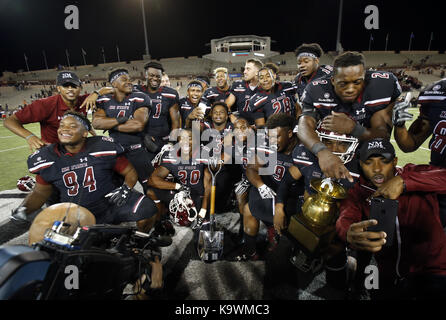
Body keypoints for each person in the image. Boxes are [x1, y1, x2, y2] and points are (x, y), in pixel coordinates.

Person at [336, 138, 446, 299]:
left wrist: (404, 182)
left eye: (384, 161)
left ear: (394, 161)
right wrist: (347, 233)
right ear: (360, 164)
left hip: (433, 272)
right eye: (369, 162)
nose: (377, 168)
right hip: (386, 273)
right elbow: (345, 218)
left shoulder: (414, 173)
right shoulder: (358, 192)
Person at [297, 51, 402, 183]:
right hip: (331, 149)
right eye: (343, 84)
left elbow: (383, 135)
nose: (350, 89)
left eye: (357, 82)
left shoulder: (381, 86)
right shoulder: (315, 89)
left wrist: (353, 129)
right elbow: (303, 125)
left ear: (364, 78)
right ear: (333, 80)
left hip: (367, 152)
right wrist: (321, 151)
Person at [229, 113, 302, 261]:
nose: (272, 141)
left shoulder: (302, 150)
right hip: (270, 189)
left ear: (289, 133)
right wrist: (261, 186)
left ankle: (293, 246)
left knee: (286, 254)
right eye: (270, 137)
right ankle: (250, 251)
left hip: (293, 196)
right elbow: (251, 168)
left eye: (277, 137)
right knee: (249, 208)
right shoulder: (267, 143)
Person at [4, 71, 106, 152]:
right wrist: (30, 137)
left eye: (74, 86)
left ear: (80, 88)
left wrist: (97, 92)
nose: (70, 89)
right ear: (58, 88)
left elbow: (112, 89)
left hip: (79, 150)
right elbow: (9, 121)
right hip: (54, 153)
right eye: (66, 86)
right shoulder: (45, 104)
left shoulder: (86, 100)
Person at [393, 79, 446, 226]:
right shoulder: (437, 91)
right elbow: (410, 144)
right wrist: (400, 124)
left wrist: (409, 181)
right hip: (438, 190)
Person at [92, 68, 152, 192]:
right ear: (114, 84)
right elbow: (97, 123)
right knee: (114, 189)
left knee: (151, 188)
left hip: (136, 150)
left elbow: (138, 125)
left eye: (130, 79)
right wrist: (120, 120)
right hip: (115, 152)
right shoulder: (104, 100)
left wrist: (109, 123)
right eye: (124, 79)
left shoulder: (140, 97)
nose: (129, 82)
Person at [148, 128, 212, 230]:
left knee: (201, 232)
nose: (185, 142)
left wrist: (203, 209)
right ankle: (161, 219)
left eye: (189, 138)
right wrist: (178, 186)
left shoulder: (203, 154)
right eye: (182, 138)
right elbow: (153, 180)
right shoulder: (171, 155)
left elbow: (208, 185)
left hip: (199, 195)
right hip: (182, 192)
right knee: (151, 191)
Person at [134, 61, 181, 160]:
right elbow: (114, 90)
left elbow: (175, 121)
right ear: (145, 75)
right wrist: (96, 93)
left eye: (158, 76)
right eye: (151, 75)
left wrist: (171, 142)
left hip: (163, 140)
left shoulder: (171, 94)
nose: (155, 78)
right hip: (141, 139)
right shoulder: (136, 91)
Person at [249, 63, 299, 128]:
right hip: (275, 133)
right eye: (261, 78)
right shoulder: (256, 100)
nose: (265, 80)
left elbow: (297, 108)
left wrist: (298, 125)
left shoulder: (287, 86)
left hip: (293, 127)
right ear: (258, 80)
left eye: (268, 76)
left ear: (274, 76)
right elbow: (261, 127)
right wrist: (270, 137)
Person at [225, 58, 263, 124]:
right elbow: (227, 105)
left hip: (260, 125)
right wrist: (231, 116)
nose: (244, 72)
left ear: (257, 72)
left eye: (248, 69)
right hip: (241, 124)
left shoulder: (264, 87)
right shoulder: (238, 85)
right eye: (245, 69)